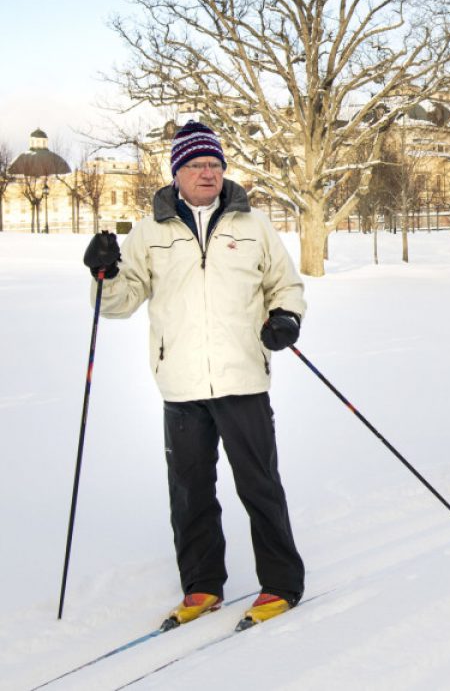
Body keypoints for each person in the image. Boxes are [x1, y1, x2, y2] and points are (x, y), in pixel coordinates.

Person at [82, 121, 306, 630]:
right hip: (179, 382)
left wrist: (286, 318)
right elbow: (117, 305)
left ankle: (282, 582)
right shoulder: (149, 233)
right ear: (176, 172)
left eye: (214, 164)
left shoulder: (253, 225)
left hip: (243, 376)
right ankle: (202, 585)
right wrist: (104, 274)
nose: (207, 173)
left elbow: (284, 285)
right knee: (189, 489)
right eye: (196, 165)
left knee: (259, 483)